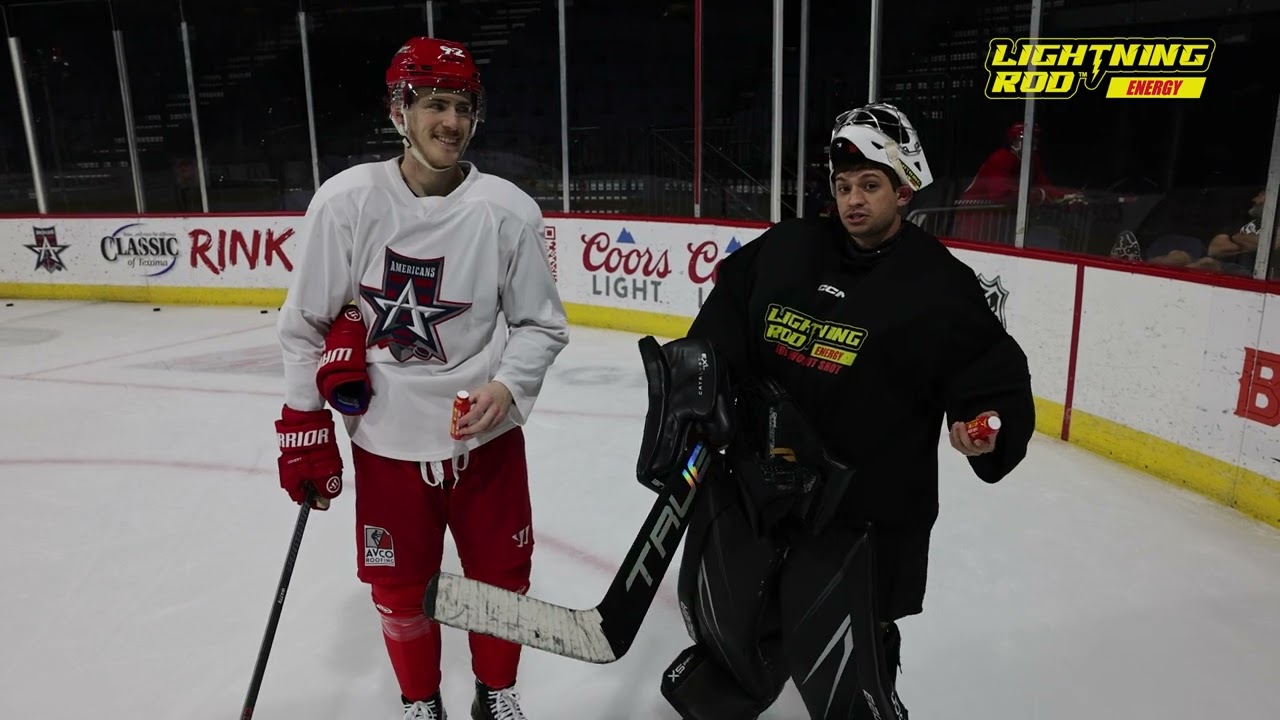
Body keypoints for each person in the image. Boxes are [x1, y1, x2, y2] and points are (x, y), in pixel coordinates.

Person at [654, 102, 1036, 719]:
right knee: (733, 612)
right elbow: (724, 321)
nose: (853, 200)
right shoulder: (788, 248)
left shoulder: (939, 287)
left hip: (860, 511)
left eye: (869, 185)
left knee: (844, 653)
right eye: (842, 185)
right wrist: (695, 390)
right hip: (760, 484)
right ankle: (734, 687)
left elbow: (991, 377)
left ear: (905, 188)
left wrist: (984, 427)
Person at [273, 37, 569, 720]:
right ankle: (420, 702)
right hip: (386, 441)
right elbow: (303, 326)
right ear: (399, 110)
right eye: (435, 104)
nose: (452, 123)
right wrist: (304, 427)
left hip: (485, 439)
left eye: (463, 107)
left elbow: (541, 326)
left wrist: (508, 387)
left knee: (500, 583)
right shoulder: (346, 203)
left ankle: (495, 695)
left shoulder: (506, 212)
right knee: (401, 590)